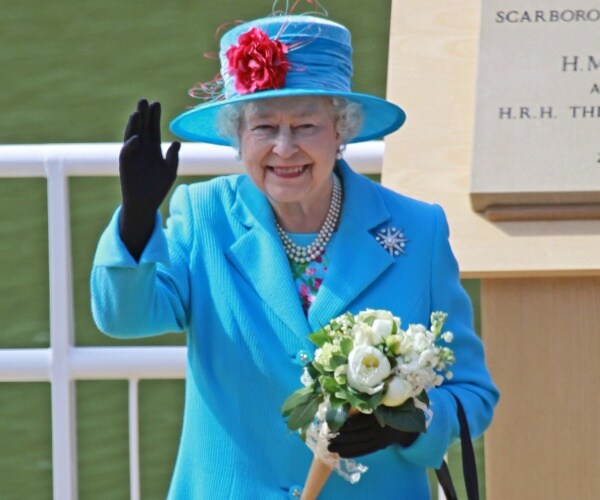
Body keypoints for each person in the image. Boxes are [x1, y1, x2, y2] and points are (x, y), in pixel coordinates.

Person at [91, 10, 499, 500]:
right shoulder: (204, 216)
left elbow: (472, 395)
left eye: (306, 125)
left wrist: (411, 425)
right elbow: (123, 318)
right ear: (238, 136)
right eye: (264, 127)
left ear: (340, 130)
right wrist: (136, 219)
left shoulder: (418, 230)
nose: (285, 149)